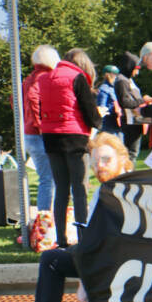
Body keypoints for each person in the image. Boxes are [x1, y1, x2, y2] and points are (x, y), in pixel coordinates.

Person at [5, 132, 133, 302]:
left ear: (122, 159)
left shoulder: (133, 189)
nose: (99, 167)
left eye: (106, 160)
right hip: (98, 254)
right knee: (51, 258)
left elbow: (119, 242)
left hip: (127, 259)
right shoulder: (104, 189)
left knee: (100, 256)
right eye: (95, 163)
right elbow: (92, 236)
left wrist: (85, 276)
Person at [38, 48, 104, 247]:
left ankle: (62, 239)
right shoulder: (77, 77)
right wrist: (99, 121)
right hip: (74, 138)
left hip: (51, 137)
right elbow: (89, 110)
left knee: (61, 190)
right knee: (80, 190)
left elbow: (42, 109)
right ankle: (84, 239)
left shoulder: (45, 78)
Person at [22, 44, 60, 215]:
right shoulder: (44, 78)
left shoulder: (28, 79)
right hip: (39, 135)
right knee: (49, 179)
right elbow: (33, 98)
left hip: (30, 134)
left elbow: (16, 101)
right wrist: (41, 126)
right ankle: (45, 220)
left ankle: (46, 219)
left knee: (47, 178)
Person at [112, 51, 146, 162]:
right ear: (130, 67)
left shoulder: (127, 80)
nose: (136, 73)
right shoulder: (122, 80)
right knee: (130, 154)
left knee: (132, 154)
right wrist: (143, 100)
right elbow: (125, 102)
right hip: (130, 122)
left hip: (135, 122)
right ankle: (129, 178)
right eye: (136, 69)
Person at [96, 65, 121, 136]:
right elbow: (102, 108)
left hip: (117, 123)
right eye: (114, 75)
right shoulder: (104, 89)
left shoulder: (116, 88)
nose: (116, 77)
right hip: (108, 124)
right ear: (107, 75)